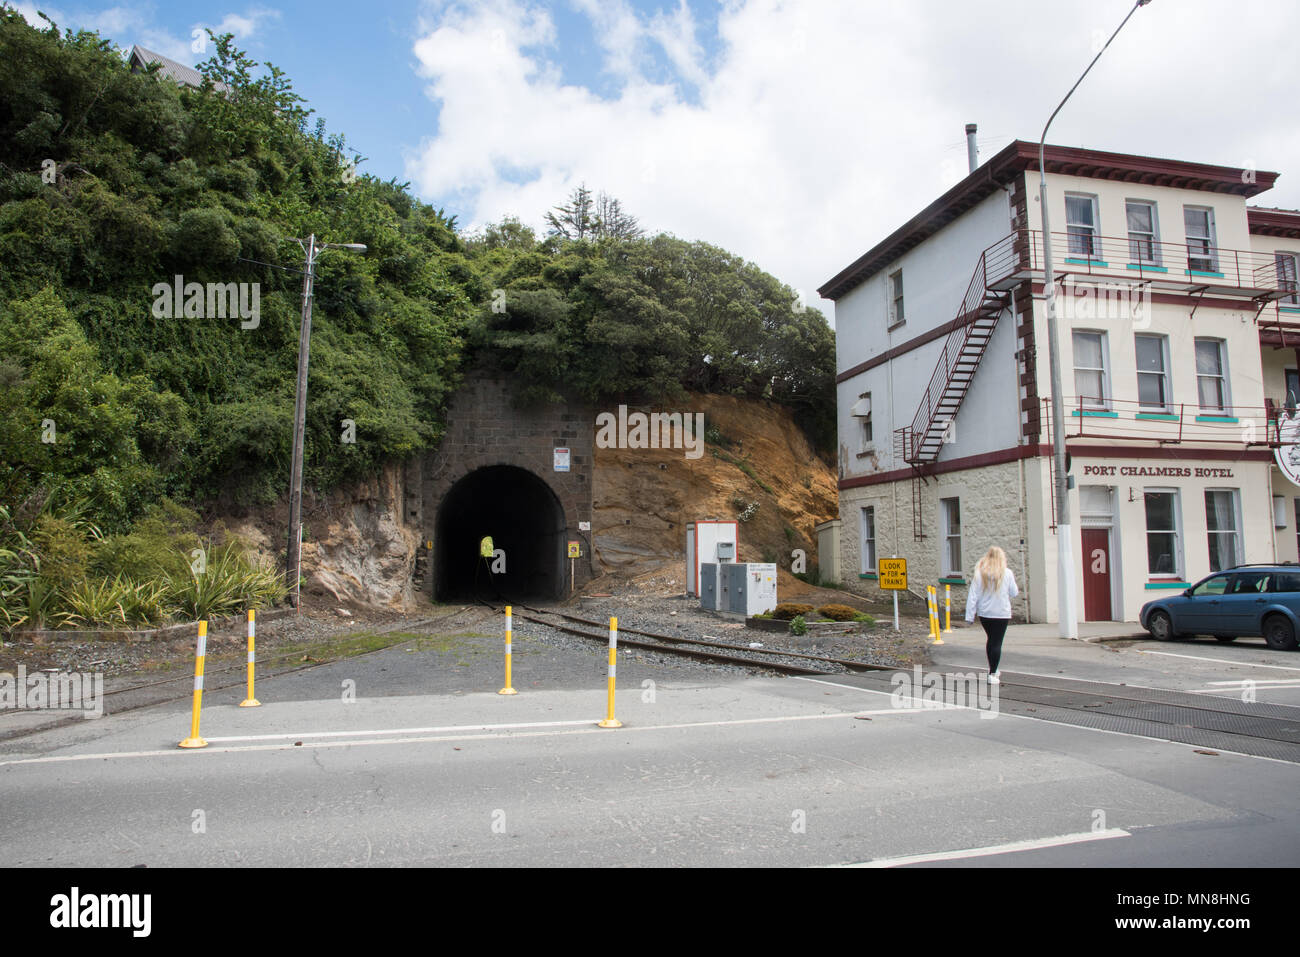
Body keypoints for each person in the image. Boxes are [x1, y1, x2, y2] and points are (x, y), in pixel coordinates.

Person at [964, 546, 1018, 684]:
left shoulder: (980, 574)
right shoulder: (1007, 573)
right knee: (997, 642)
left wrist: (969, 616)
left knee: (991, 640)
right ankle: (993, 673)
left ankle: (993, 668)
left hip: (985, 613)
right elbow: (1014, 592)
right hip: (1002, 613)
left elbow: (973, 596)